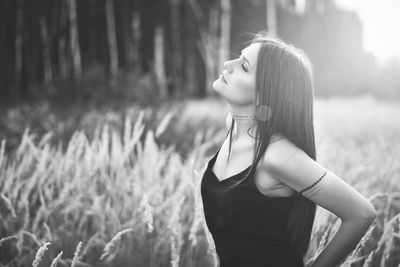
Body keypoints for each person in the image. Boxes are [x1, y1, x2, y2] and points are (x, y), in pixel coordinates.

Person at [200, 32, 377, 267]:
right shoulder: (232, 125)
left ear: (266, 92)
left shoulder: (277, 155)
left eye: (243, 66)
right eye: (238, 58)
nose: (227, 64)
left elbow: (361, 213)